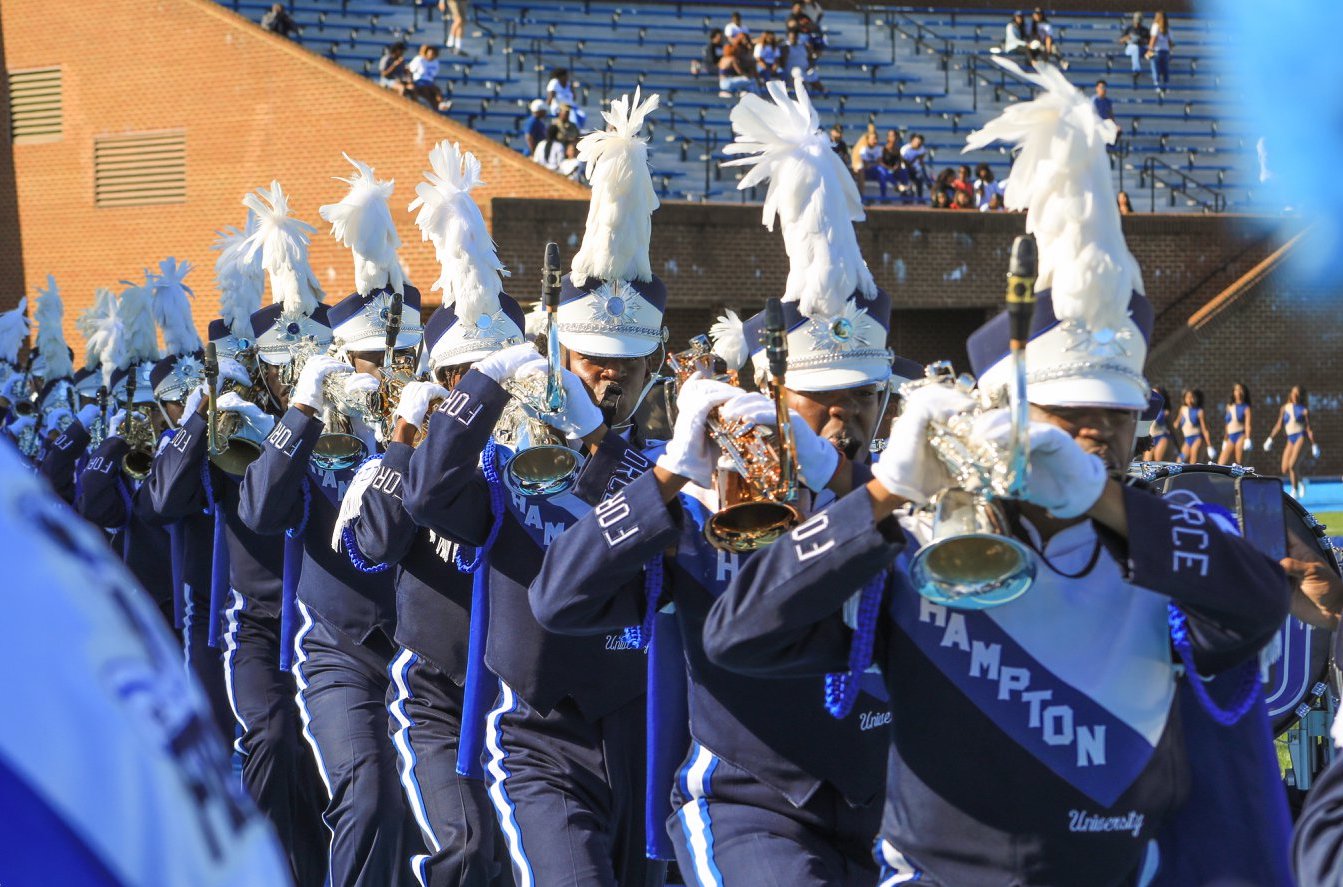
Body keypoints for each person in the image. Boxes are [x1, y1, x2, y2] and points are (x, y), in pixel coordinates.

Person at [702, 65, 1291, 885]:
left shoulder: (1157, 539)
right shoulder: (921, 531)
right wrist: (882, 497)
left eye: (1115, 415)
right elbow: (739, 634)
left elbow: (1260, 605)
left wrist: (1104, 502)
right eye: (1069, 414)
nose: (1097, 432)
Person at [531, 77, 922, 887]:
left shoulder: (916, 495)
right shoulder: (719, 493)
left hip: (899, 807)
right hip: (757, 805)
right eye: (824, 401)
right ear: (780, 395)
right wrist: (672, 475)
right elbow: (559, 599)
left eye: (863, 399)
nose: (843, 419)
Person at [402, 89, 668, 887]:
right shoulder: (509, 456)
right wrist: (486, 382)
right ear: (559, 353)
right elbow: (427, 496)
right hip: (537, 730)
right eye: (591, 356)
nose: (609, 373)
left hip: (642, 719)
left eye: (625, 360)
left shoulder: (670, 458)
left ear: (652, 361)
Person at [340, 140, 521, 887]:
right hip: (438, 697)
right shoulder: (406, 449)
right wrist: (405, 439)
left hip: (522, 698)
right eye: (463, 377)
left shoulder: (552, 455)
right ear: (442, 378)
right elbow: (374, 543)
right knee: (463, 844)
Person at [0, 426, 292, 885]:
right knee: (201, 735)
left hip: (212, 597)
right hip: (155, 599)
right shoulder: (166, 440)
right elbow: (107, 503)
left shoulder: (219, 436)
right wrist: (115, 441)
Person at [241, 162, 424, 887]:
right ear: (344, 359)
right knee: (370, 792)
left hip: (426, 652)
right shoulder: (317, 428)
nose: (386, 372)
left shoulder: (435, 428)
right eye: (371, 361)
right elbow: (259, 509)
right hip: (343, 650)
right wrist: (303, 410)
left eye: (399, 359)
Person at [143, 211, 329, 887]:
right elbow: (162, 500)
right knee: (272, 743)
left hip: (332, 620)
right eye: (274, 362)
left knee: (322, 774)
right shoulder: (224, 423)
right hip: (253, 621)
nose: (283, 373)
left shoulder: (326, 409)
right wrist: (197, 415)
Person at [1264, 386, 1320, 499]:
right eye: (1294, 393)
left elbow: (1309, 429)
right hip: (1290, 439)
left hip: (1301, 437)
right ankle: (1300, 481)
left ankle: (1294, 490)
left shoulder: (1304, 410)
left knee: (1292, 465)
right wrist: (1270, 438)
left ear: (1301, 396)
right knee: (1285, 468)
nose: (1295, 395)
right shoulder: (1284, 408)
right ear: (1290, 394)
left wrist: (1314, 445)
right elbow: (1279, 425)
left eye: (1298, 393)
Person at [852, 128, 894, 201]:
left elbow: (879, 162)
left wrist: (875, 164)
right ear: (867, 139)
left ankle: (883, 197)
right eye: (873, 139)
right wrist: (876, 164)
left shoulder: (878, 148)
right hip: (866, 172)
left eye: (876, 139)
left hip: (875, 171)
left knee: (882, 174)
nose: (875, 141)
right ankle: (861, 196)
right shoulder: (863, 149)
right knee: (880, 170)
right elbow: (866, 165)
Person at [1217, 383, 1254, 466]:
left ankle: (1240, 478)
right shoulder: (1229, 406)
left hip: (1240, 435)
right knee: (1221, 462)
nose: (1238, 392)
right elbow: (1227, 424)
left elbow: (1248, 425)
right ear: (1233, 392)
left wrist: (1248, 438)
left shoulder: (1246, 407)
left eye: (1241, 389)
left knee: (1238, 463)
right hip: (1230, 436)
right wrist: (1225, 439)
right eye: (1236, 390)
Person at [1175, 388, 1214, 463]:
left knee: (1194, 459)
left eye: (1192, 397)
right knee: (1179, 461)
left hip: (1197, 438)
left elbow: (1205, 429)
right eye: (1187, 397)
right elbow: (1176, 423)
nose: (1190, 399)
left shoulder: (1200, 411)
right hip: (1187, 439)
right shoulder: (1182, 409)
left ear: (1197, 398)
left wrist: (1209, 446)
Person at [408, 45, 451, 112]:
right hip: (418, 81)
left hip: (429, 82)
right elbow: (409, 70)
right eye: (430, 53)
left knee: (437, 90)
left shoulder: (435, 62)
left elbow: (433, 75)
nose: (431, 55)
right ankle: (435, 107)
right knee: (427, 92)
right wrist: (410, 82)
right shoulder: (419, 59)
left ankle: (440, 104)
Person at [718, 32, 756, 97]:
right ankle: (753, 95)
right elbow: (739, 71)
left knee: (746, 82)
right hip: (727, 82)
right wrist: (747, 75)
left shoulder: (723, 59)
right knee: (752, 80)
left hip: (722, 82)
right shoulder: (733, 59)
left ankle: (739, 92)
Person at [1144, 385, 1174, 461]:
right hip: (1150, 438)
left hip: (1161, 437)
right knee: (1146, 463)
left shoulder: (1166, 412)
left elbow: (1172, 430)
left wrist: (1178, 447)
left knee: (1158, 464)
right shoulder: (1146, 409)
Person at [1148, 11, 1174, 95]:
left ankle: (1157, 86)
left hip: (1157, 50)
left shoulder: (1155, 26)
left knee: (1155, 69)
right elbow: (1170, 42)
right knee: (1165, 69)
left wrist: (1149, 49)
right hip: (1165, 51)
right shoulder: (1168, 28)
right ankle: (1166, 85)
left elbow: (1153, 39)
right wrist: (1171, 51)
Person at [900, 133, 931, 199]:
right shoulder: (905, 149)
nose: (918, 144)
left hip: (916, 170)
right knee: (908, 181)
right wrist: (915, 157)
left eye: (920, 143)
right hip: (905, 169)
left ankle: (920, 198)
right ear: (912, 141)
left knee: (920, 178)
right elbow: (904, 162)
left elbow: (921, 162)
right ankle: (906, 198)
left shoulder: (922, 149)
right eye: (917, 142)